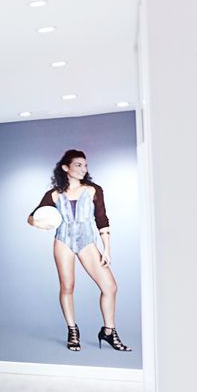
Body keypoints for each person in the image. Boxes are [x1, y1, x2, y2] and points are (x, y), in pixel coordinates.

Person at [27, 148, 127, 352]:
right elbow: (31, 217)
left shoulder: (93, 190)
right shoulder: (54, 194)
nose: (83, 169)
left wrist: (106, 249)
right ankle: (72, 330)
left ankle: (108, 331)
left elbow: (102, 219)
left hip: (87, 242)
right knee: (67, 287)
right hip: (63, 241)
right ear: (66, 168)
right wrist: (42, 223)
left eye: (85, 165)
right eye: (78, 165)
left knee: (110, 287)